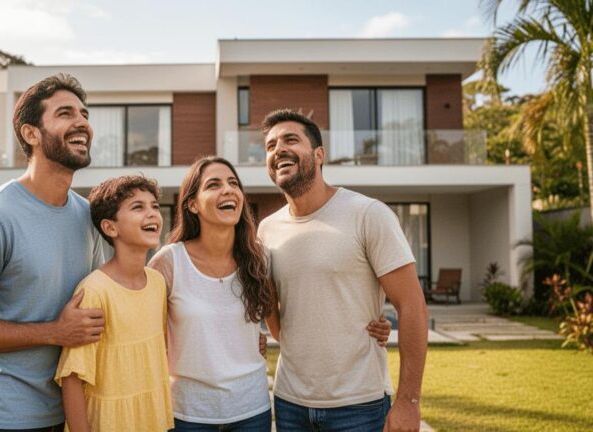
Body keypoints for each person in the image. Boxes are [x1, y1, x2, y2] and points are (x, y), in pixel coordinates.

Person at [149, 156, 392, 431]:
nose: (228, 190)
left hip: (252, 412)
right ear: (192, 204)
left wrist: (366, 322)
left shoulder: (259, 258)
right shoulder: (169, 262)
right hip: (189, 413)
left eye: (233, 183)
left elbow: (293, 308)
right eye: (213, 185)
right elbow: (148, 337)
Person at [0, 74, 106, 432]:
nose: (81, 122)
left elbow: (95, 309)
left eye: (84, 114)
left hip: (63, 410)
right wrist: (54, 332)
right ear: (31, 133)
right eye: (65, 113)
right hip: (0, 415)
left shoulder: (87, 217)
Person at [257, 109, 429, 432]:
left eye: (290, 140)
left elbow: (412, 306)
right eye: (270, 145)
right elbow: (277, 321)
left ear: (319, 155)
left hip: (359, 405)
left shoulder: (368, 214)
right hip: (290, 404)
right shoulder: (266, 230)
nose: (278, 149)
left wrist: (409, 401)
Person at [56, 175, 173, 432]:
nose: (152, 213)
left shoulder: (157, 283)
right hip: (109, 422)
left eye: (154, 206)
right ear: (110, 228)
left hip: (150, 421)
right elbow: (72, 378)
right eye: (138, 207)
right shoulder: (94, 291)